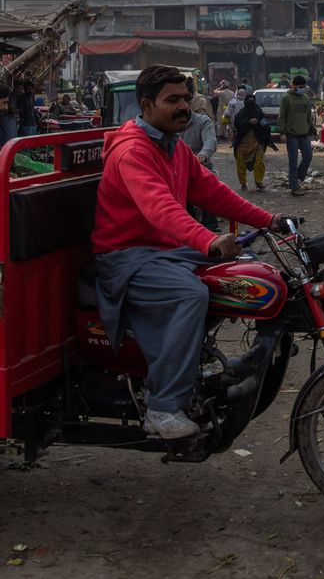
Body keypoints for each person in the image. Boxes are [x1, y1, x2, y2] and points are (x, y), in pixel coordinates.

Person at [91, 65, 295, 439]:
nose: (184, 106)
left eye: (186, 97)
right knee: (190, 293)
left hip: (163, 251)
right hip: (128, 257)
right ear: (147, 105)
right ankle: (164, 405)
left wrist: (269, 219)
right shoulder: (133, 151)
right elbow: (160, 208)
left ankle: (193, 364)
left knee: (244, 274)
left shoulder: (173, 147)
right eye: (173, 100)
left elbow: (213, 193)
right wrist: (208, 240)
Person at [179, 93, 221, 231]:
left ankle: (210, 224)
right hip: (177, 168)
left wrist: (201, 156)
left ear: (190, 103)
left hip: (200, 165)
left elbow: (210, 141)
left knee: (210, 184)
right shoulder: (166, 123)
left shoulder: (203, 121)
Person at [232, 92, 277, 191]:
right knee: (241, 163)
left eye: (252, 100)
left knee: (259, 162)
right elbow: (237, 124)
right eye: (249, 100)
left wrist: (262, 125)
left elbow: (265, 125)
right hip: (243, 141)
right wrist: (248, 122)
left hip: (257, 141)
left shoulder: (259, 112)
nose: (251, 102)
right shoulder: (241, 113)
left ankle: (259, 182)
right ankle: (243, 183)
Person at [279, 75, 316, 194]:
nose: (302, 89)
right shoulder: (286, 98)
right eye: (299, 87)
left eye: (303, 87)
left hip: (304, 133)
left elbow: (308, 116)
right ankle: (294, 187)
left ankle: (298, 177)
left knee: (308, 156)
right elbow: (282, 116)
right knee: (293, 161)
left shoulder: (305, 98)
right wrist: (282, 132)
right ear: (293, 86)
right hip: (291, 134)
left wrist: (312, 129)